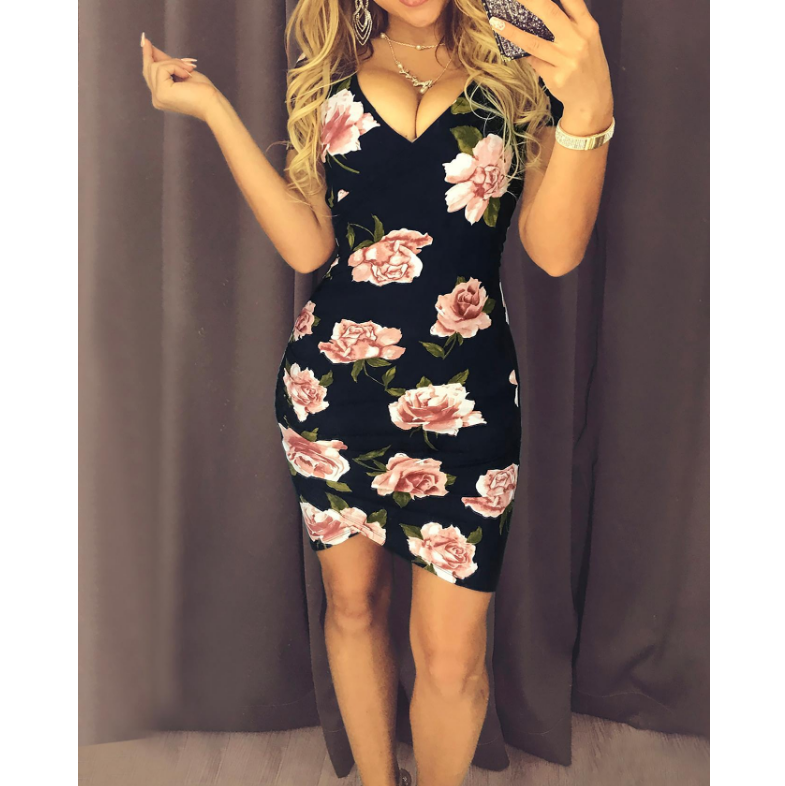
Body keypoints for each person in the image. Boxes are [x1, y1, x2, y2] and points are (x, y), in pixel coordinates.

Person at [141, 1, 613, 784]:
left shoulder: (520, 73)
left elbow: (555, 251)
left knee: (451, 659)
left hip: (468, 405)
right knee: (352, 606)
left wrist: (589, 111)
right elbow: (309, 246)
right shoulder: (327, 80)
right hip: (330, 395)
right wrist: (214, 109)